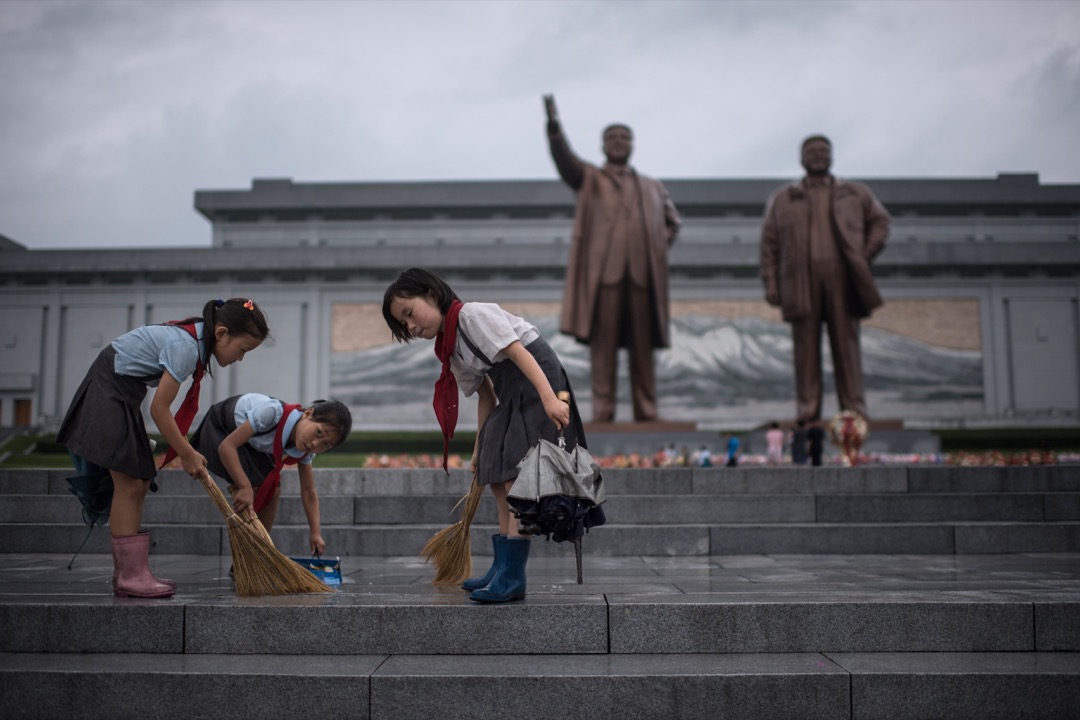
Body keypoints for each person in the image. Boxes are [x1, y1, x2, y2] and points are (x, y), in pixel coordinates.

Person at [383, 267, 591, 603]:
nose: (411, 325)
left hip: (537, 380)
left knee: (517, 480)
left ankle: (512, 576)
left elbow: (519, 352)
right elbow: (485, 396)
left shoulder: (472, 315)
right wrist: (481, 448)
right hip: (510, 394)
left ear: (432, 295)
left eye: (409, 313)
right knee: (496, 476)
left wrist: (550, 398)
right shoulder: (449, 347)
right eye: (404, 325)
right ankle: (502, 566)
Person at [56, 298, 270, 598]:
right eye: (243, 349)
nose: (241, 358)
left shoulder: (193, 340)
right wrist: (187, 452)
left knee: (139, 481)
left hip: (123, 394)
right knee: (130, 483)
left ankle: (131, 573)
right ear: (222, 334)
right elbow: (160, 409)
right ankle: (130, 576)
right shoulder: (185, 347)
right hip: (109, 390)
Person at [543, 94, 681, 423]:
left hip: (641, 278)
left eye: (625, 138)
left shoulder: (651, 186)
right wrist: (554, 128)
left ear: (632, 144)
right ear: (603, 145)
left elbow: (672, 224)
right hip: (605, 278)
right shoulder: (591, 178)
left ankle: (647, 411)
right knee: (602, 351)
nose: (619, 143)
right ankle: (603, 411)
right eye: (612, 138)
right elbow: (566, 163)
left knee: (642, 351)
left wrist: (654, 249)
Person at [760, 135, 890, 424]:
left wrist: (863, 256)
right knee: (805, 350)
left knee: (847, 346)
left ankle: (854, 412)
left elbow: (880, 222)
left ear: (831, 156)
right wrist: (771, 281)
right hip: (800, 281)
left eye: (823, 151)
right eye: (812, 151)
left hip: (842, 280)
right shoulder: (783, 198)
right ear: (801, 158)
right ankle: (807, 411)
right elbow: (769, 243)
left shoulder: (854, 193)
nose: (818, 156)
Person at [190, 394, 353, 559]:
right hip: (219, 429)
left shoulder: (304, 450)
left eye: (326, 444)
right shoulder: (272, 412)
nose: (315, 444)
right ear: (307, 414)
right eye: (318, 432)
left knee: (271, 488)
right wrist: (244, 486)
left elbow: (309, 491)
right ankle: (245, 556)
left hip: (248, 444)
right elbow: (227, 447)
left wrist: (315, 533)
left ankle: (256, 554)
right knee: (255, 485)